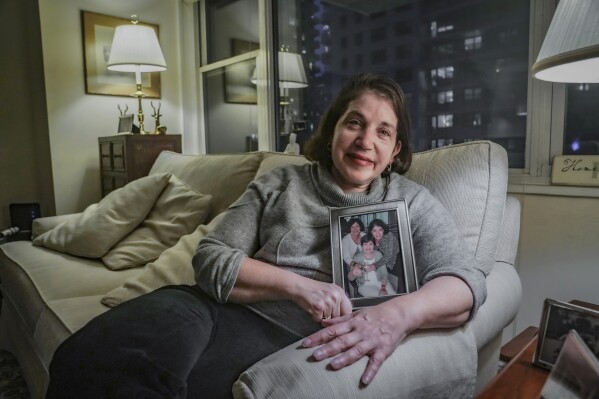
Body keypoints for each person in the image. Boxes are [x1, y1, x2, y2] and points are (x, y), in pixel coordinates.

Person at [46, 73, 486, 398]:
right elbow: (212, 257)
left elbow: (466, 282)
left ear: (394, 153)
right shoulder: (280, 184)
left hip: (280, 340)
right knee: (84, 360)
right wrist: (300, 287)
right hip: (214, 311)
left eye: (383, 131)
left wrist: (395, 317)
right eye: (354, 122)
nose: (365, 140)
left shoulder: (412, 202)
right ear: (334, 128)